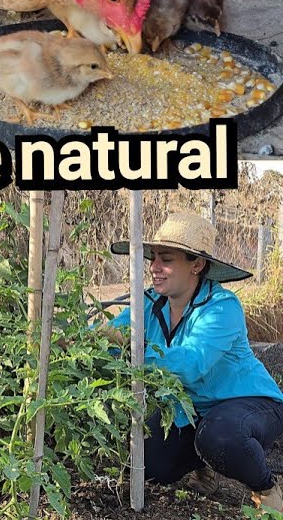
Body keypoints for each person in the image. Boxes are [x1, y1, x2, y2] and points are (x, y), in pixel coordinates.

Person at [107, 212, 283, 512]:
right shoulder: (149, 303)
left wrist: (133, 348)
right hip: (191, 409)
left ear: (197, 265)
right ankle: (205, 463)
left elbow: (191, 363)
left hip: (250, 403)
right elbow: (108, 338)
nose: (154, 267)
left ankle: (267, 490)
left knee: (221, 437)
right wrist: (78, 340)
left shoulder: (221, 308)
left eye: (166, 259)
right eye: (153, 258)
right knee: (151, 465)